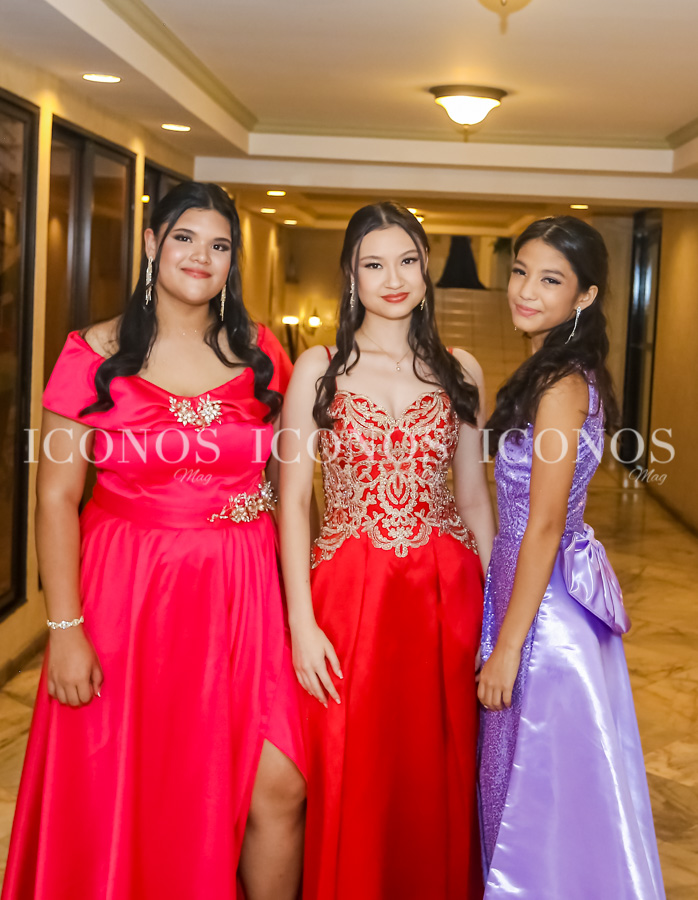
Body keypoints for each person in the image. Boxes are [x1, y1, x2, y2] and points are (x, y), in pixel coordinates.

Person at [2, 182, 306, 900]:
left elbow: (295, 487)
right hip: (131, 598)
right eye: (185, 238)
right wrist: (65, 631)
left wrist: (307, 605)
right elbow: (56, 497)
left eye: (219, 245)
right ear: (151, 244)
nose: (202, 257)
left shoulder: (261, 353)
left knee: (280, 785)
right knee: (140, 788)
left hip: (245, 592)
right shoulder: (91, 353)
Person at [279, 201, 495, 899]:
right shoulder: (318, 367)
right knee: (351, 771)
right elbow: (293, 501)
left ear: (426, 270)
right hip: (349, 598)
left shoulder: (461, 370)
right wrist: (301, 622)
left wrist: (497, 617)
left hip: (444, 596)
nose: (393, 279)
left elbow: (474, 500)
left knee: (438, 770)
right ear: (351, 274)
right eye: (374, 265)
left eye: (407, 262)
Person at [478, 216, 665, 899]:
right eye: (520, 271)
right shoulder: (551, 370)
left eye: (549, 280)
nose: (525, 290)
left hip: (543, 614)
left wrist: (507, 647)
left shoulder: (560, 385)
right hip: (531, 592)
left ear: (584, 296)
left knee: (532, 794)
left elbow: (546, 523)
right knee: (537, 786)